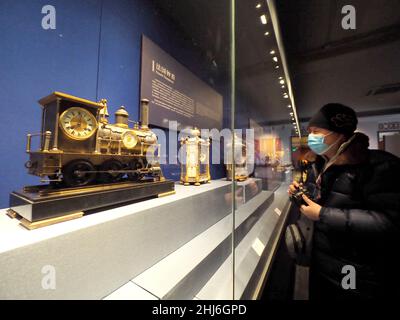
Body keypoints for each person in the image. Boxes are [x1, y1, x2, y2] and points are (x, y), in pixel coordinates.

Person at [288, 103, 400, 299]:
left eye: (317, 131)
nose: (311, 137)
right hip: (323, 261)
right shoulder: (322, 163)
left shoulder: (380, 166)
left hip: (354, 268)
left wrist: (323, 214)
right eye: (310, 132)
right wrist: (301, 194)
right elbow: (325, 199)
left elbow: (389, 222)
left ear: (339, 133)